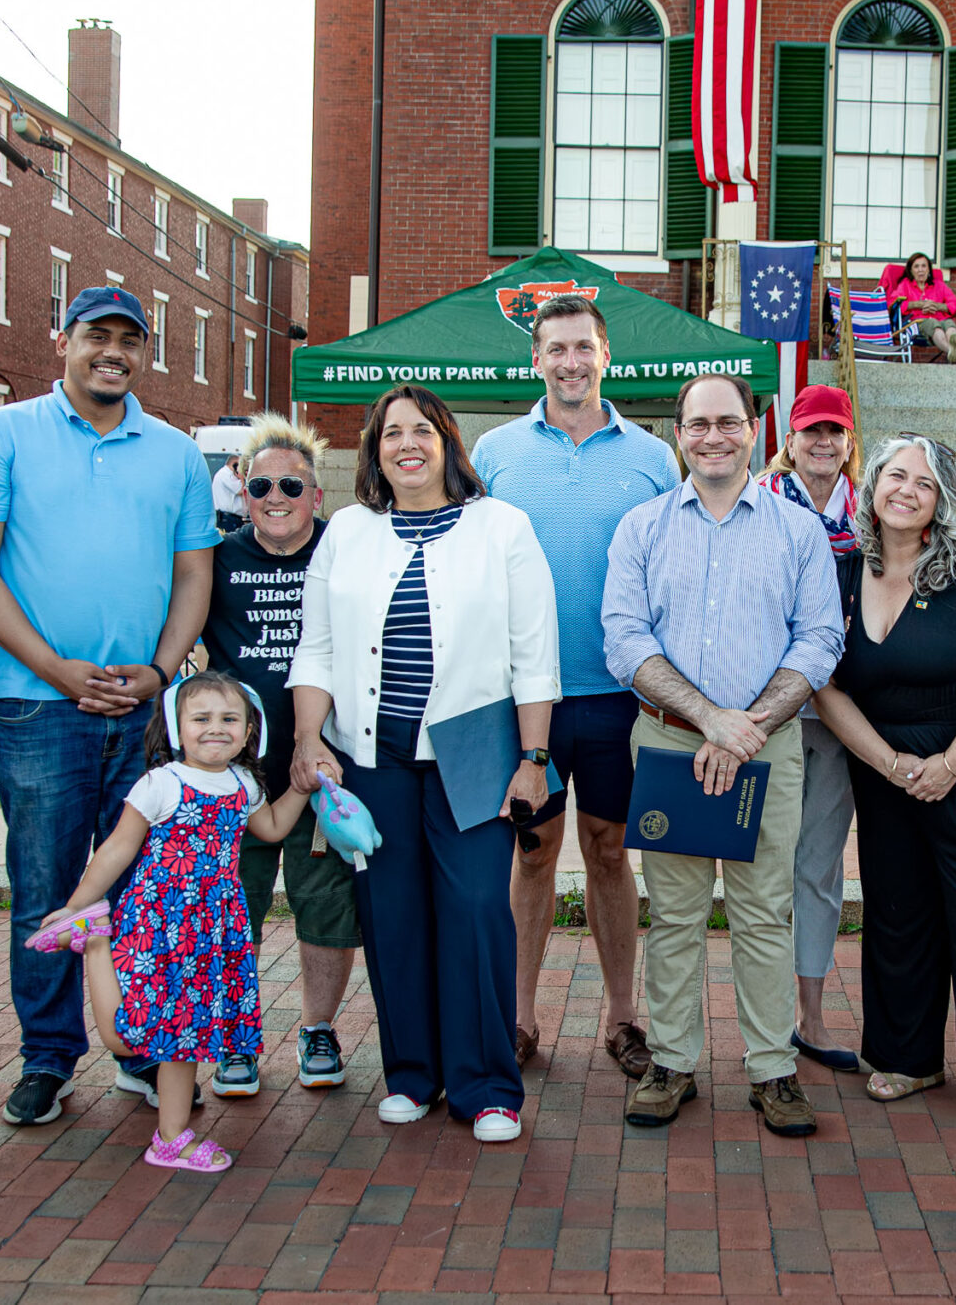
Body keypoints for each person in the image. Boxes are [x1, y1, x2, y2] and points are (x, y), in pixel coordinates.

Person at [0, 285, 219, 1126]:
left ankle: (142, 1051)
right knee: (46, 884)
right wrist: (57, 669)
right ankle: (48, 1058)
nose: (114, 352)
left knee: (146, 890)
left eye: (130, 340)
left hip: (142, 710)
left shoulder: (174, 453)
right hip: (37, 705)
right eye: (97, 335)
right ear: (61, 339)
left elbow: (193, 576)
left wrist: (164, 671)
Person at [288, 384, 558, 1144]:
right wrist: (311, 741)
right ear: (374, 451)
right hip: (372, 757)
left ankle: (488, 1087)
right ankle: (413, 1073)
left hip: (476, 755)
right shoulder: (347, 531)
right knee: (392, 915)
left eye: (422, 430)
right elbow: (318, 648)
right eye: (390, 434)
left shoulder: (501, 527)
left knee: (476, 910)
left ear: (447, 441)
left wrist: (533, 759)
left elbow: (535, 659)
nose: (406, 444)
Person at [602, 373, 841, 1137]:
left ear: (755, 430)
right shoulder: (641, 527)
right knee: (673, 914)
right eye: (699, 424)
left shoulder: (797, 532)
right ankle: (671, 1061)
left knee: (764, 912)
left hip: (768, 749)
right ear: (679, 433)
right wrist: (710, 720)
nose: (713, 436)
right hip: (670, 741)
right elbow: (624, 638)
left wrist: (751, 725)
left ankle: (773, 1069)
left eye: (728, 422)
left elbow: (819, 640)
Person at [472, 295, 679, 1078]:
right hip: (524, 696)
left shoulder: (653, 457)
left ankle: (624, 1018)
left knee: (610, 849)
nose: (570, 361)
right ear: (535, 360)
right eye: (555, 348)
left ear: (605, 355)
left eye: (583, 347)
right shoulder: (494, 451)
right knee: (531, 853)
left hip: (619, 697)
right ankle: (519, 1021)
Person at [815, 434, 956, 1134]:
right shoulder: (842, 572)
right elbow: (827, 683)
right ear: (872, 485)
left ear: (943, 501)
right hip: (887, 772)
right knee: (897, 913)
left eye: (926, 483)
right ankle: (908, 1058)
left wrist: (951, 762)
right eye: (895, 476)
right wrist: (886, 762)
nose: (907, 490)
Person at [33, 672, 306, 1171]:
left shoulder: (244, 783)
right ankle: (92, 939)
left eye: (229, 719)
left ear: (249, 732)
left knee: (187, 1037)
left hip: (215, 930)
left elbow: (270, 829)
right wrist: (76, 903)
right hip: (160, 922)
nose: (215, 728)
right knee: (134, 1034)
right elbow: (116, 848)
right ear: (179, 728)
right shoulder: (162, 782)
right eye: (201, 718)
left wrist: (303, 789)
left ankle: (172, 1138)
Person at [200, 414, 358, 1096]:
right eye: (260, 482)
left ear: (315, 495)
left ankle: (318, 1029)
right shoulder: (213, 559)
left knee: (326, 907)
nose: (275, 495)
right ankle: (236, 1038)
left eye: (291, 484)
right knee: (235, 911)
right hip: (238, 775)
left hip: (323, 767)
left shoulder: (344, 555)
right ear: (241, 485)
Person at [755, 383, 866, 1068]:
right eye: (810, 432)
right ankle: (762, 1018)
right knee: (763, 871)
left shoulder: (875, 512)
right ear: (789, 441)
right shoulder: (759, 505)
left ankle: (812, 1017)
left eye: (833, 432)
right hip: (769, 712)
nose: (822, 443)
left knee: (819, 869)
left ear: (849, 442)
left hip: (841, 714)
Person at [891, 252, 956, 363]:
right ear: (911, 271)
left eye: (924, 266)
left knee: (949, 325)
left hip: (941, 319)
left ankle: (954, 347)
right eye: (916, 266)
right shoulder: (905, 285)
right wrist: (918, 304)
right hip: (919, 321)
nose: (920, 270)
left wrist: (938, 306)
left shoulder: (939, 285)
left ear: (928, 270)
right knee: (934, 326)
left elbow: (955, 305)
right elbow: (894, 304)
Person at [212, 450, 249, 535]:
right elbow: (240, 490)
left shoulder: (227, 474)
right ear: (235, 464)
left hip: (232, 517)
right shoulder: (226, 474)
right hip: (228, 517)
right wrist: (242, 477)